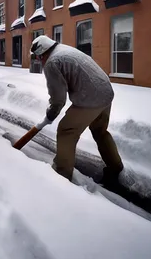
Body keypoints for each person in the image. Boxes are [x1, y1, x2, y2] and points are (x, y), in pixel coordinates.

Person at [30, 35, 123, 184]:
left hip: (90, 97)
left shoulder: (52, 62)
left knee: (66, 131)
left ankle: (61, 175)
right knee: (100, 131)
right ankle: (115, 166)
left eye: (38, 57)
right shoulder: (64, 49)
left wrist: (51, 114)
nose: (39, 61)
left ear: (42, 53)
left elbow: (58, 99)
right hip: (106, 92)